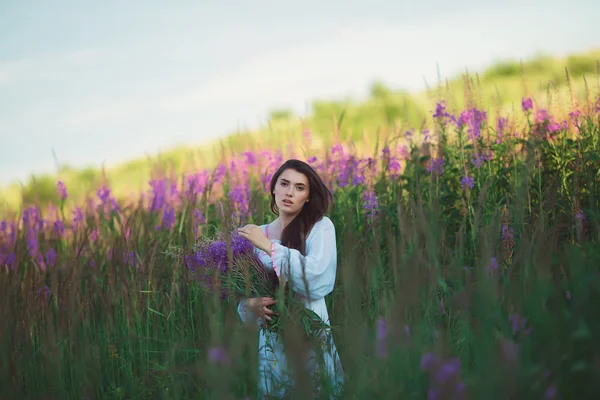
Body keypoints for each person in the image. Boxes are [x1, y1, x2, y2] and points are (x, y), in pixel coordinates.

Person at [237, 158, 344, 398]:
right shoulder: (257, 233)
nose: (289, 192)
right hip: (272, 338)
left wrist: (268, 247)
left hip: (310, 329)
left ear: (308, 196)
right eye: (284, 184)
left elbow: (318, 277)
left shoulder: (320, 228)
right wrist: (248, 306)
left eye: (299, 187)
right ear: (273, 187)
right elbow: (244, 291)